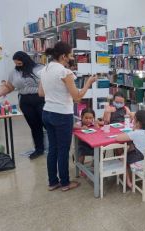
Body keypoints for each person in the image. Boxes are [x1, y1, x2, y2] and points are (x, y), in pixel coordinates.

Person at [38, 42, 96, 191]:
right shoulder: (65, 72)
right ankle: (65, 183)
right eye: (70, 55)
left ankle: (53, 182)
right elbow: (77, 97)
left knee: (53, 148)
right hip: (62, 114)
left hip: (47, 112)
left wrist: (55, 93)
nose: (71, 58)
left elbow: (41, 93)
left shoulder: (44, 70)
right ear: (63, 56)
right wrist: (88, 83)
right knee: (63, 149)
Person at [0, 51, 45, 159]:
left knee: (47, 123)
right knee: (34, 126)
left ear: (26, 61)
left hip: (40, 99)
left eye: (20, 64)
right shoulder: (14, 72)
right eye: (16, 64)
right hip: (25, 101)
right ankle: (39, 149)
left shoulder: (39, 68)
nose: (18, 66)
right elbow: (9, 87)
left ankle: (56, 148)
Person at [115, 110, 145, 188]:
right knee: (132, 148)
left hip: (143, 164)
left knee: (123, 156)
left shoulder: (137, 133)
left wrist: (134, 129)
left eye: (134, 119)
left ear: (138, 123)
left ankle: (128, 181)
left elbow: (118, 138)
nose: (132, 121)